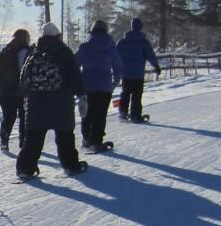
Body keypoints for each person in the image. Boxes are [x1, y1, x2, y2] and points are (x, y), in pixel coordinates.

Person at [15, 22, 88, 179]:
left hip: (36, 103)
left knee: (33, 137)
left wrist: (28, 97)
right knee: (65, 136)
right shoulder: (64, 52)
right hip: (60, 101)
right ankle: (71, 165)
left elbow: (23, 80)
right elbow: (75, 76)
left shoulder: (33, 53)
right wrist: (81, 95)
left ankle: (25, 168)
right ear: (57, 35)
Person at [75, 20, 123, 153]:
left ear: (92, 31)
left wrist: (78, 81)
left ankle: (86, 139)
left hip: (87, 87)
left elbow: (73, 64)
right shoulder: (111, 47)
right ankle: (96, 141)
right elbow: (118, 66)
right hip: (105, 87)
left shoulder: (84, 47)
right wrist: (115, 81)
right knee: (100, 115)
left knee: (87, 114)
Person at [0, 29, 31, 152]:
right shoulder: (26, 52)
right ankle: (23, 142)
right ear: (25, 38)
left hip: (4, 92)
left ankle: (4, 141)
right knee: (24, 116)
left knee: (8, 117)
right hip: (20, 92)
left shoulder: (4, 52)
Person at [116, 17, 161, 122]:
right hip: (138, 75)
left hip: (126, 74)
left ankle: (123, 112)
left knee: (125, 93)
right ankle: (135, 115)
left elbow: (115, 56)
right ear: (140, 27)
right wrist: (156, 67)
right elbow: (151, 56)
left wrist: (115, 69)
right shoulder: (143, 43)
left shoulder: (122, 42)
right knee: (136, 95)